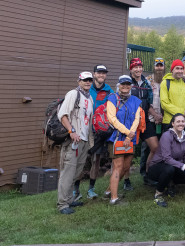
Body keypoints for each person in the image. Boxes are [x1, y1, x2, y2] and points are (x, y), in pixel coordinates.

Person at [56, 72, 95, 214]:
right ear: (79, 81)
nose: (87, 82)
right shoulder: (73, 94)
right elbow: (63, 115)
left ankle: (70, 199)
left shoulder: (89, 98)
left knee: (77, 172)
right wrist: (71, 131)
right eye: (85, 80)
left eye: (90, 80)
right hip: (73, 140)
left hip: (84, 140)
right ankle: (62, 204)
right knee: (68, 172)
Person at [105, 75, 142, 205]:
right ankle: (114, 198)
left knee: (126, 167)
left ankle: (109, 190)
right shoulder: (112, 98)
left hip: (130, 138)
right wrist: (127, 133)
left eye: (128, 84)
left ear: (131, 86)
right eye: (123, 84)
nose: (125, 87)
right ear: (118, 85)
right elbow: (112, 119)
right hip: (116, 137)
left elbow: (137, 119)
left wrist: (129, 136)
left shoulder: (136, 101)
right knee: (118, 166)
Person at [147, 113, 185, 207]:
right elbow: (167, 158)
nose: (181, 123)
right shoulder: (167, 136)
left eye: (183, 121)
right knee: (169, 169)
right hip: (157, 166)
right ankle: (158, 194)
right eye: (178, 121)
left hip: (174, 166)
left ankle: (170, 184)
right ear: (173, 124)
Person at [81, 64, 113, 200]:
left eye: (103, 73)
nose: (101, 75)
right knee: (81, 160)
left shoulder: (108, 90)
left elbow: (112, 107)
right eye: (99, 73)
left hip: (99, 131)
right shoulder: (87, 88)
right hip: (84, 129)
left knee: (96, 160)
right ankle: (75, 190)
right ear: (94, 74)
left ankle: (91, 189)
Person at [127, 57, 152, 190]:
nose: (138, 69)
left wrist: (155, 114)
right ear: (131, 69)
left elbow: (149, 101)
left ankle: (147, 175)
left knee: (153, 147)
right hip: (130, 122)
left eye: (139, 66)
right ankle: (126, 180)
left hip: (145, 120)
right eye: (135, 67)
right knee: (128, 153)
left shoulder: (146, 82)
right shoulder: (126, 82)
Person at [140, 58, 166, 184]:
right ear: (154, 67)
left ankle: (156, 172)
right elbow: (145, 102)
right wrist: (155, 115)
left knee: (160, 147)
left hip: (164, 119)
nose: (159, 68)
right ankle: (144, 173)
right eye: (157, 66)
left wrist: (161, 117)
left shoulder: (167, 80)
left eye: (161, 66)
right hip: (150, 118)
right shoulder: (148, 81)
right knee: (147, 148)